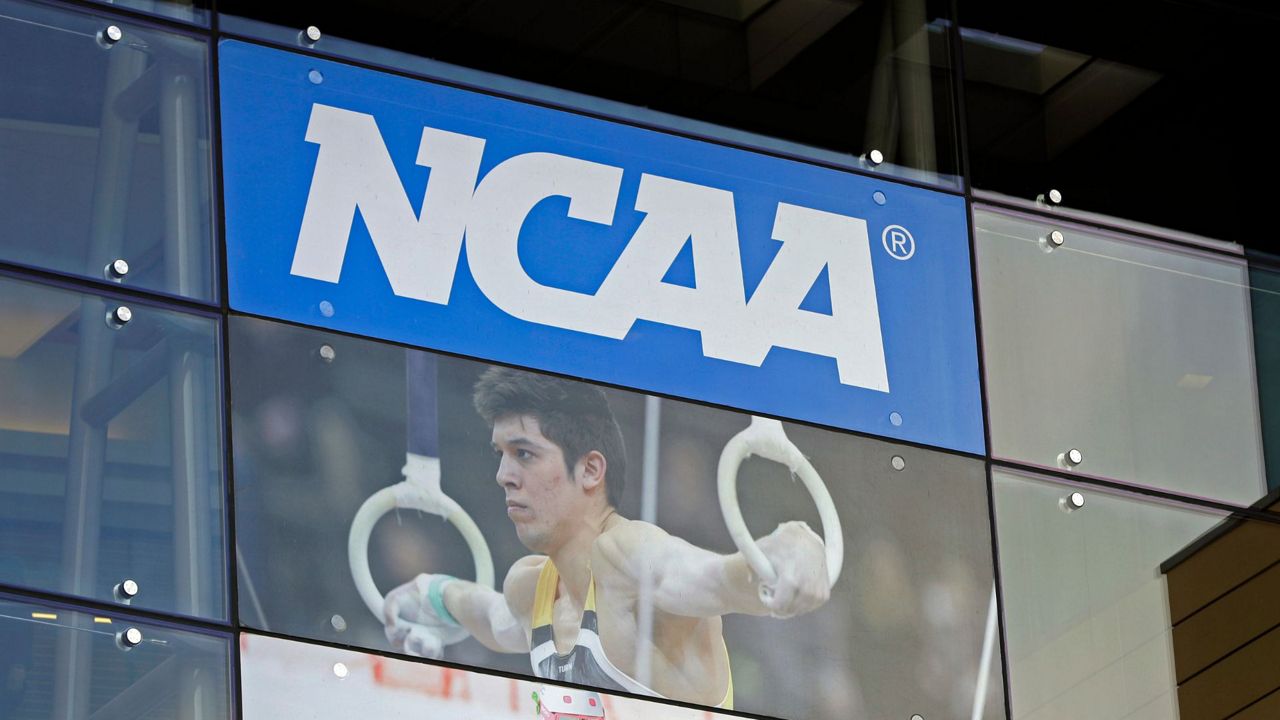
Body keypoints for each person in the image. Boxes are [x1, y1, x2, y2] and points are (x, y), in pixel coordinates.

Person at [382, 367, 830, 709]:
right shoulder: (530, 588)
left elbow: (716, 578)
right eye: (500, 455)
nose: (503, 476)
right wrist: (431, 592)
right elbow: (490, 616)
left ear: (591, 470)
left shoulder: (630, 558)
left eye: (524, 454)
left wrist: (795, 545)